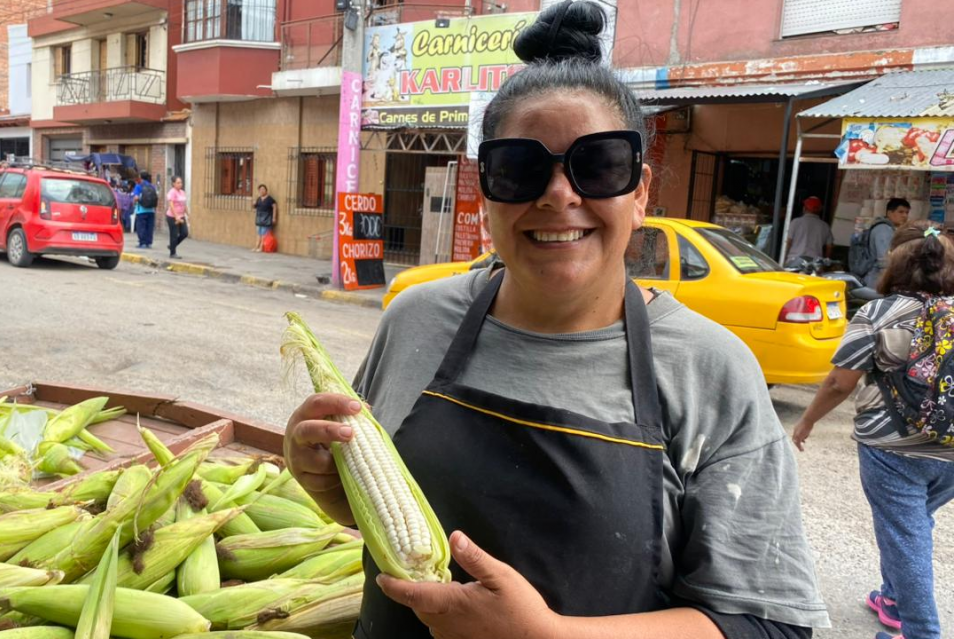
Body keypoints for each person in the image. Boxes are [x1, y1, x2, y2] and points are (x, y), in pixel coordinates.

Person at [282, 4, 828, 639]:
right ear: (485, 191)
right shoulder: (416, 320)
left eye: (599, 165)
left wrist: (551, 637)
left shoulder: (709, 368)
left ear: (641, 191)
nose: (559, 194)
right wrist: (327, 487)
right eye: (519, 167)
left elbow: (767, 623)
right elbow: (392, 523)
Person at [793, 221, 954, 639]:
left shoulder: (877, 313)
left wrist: (807, 420)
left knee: (906, 533)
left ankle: (919, 631)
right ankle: (894, 598)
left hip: (893, 448)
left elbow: (839, 382)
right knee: (911, 524)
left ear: (895, 267)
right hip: (951, 449)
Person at [865, 198, 911, 286]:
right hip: (877, 280)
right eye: (900, 212)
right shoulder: (883, 230)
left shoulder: (890, 229)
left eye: (907, 212)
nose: (904, 216)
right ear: (890, 213)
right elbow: (884, 260)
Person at [785, 195, 833, 265]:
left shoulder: (796, 222)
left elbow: (788, 242)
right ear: (819, 210)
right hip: (815, 263)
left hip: (794, 261)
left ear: (804, 208)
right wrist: (824, 263)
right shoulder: (825, 226)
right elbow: (829, 247)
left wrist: (784, 258)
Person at [132, 171, 157, 249]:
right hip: (151, 210)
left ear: (140, 177)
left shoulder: (138, 186)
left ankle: (142, 243)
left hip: (141, 210)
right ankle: (148, 243)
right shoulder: (152, 186)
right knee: (149, 227)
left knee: (141, 227)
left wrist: (134, 202)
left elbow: (136, 197)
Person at [166, 176, 189, 259]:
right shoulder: (172, 192)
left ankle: (172, 245)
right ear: (173, 184)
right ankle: (173, 253)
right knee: (174, 234)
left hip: (181, 216)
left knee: (184, 233)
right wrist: (176, 217)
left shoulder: (182, 192)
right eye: (178, 183)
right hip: (172, 216)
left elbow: (184, 204)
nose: (180, 184)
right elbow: (171, 205)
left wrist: (188, 215)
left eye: (181, 182)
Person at [253, 184, 277, 252]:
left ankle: (261, 248)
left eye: (263, 189)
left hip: (267, 218)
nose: (262, 191)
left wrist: (274, 218)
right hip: (259, 218)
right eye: (260, 190)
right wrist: (253, 204)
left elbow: (274, 207)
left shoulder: (270, 199)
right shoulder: (258, 199)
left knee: (264, 234)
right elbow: (254, 207)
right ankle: (256, 246)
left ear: (266, 190)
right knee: (258, 233)